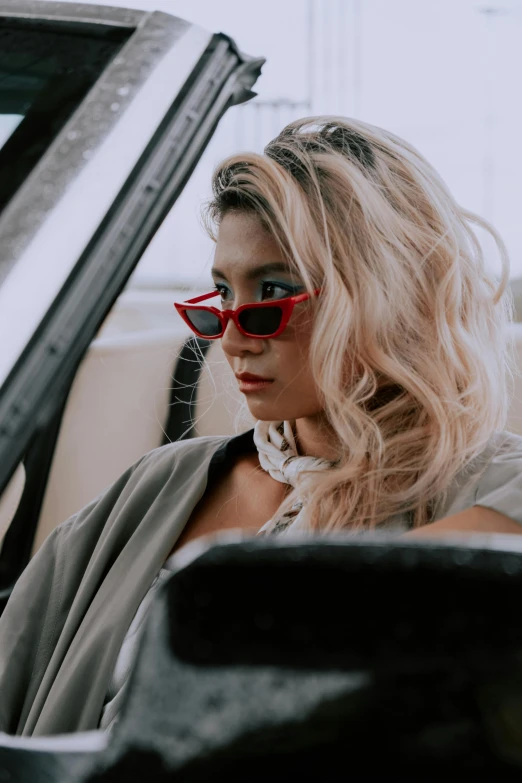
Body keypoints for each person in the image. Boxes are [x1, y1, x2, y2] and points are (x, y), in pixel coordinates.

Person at [1, 115, 522, 737]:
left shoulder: (498, 493)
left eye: (273, 291)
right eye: (222, 295)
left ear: (387, 291)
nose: (234, 337)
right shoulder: (157, 485)